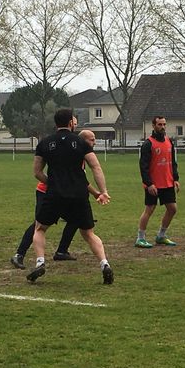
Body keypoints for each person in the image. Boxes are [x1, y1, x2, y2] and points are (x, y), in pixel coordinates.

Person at [26, 109, 113, 284]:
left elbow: (37, 172)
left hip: (55, 194)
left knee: (40, 229)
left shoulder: (45, 143)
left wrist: (52, 183)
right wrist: (103, 191)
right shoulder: (81, 142)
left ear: (56, 123)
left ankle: (40, 262)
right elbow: (95, 167)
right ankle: (104, 264)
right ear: (71, 123)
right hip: (79, 194)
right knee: (88, 233)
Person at [10, 129, 102, 269]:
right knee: (38, 224)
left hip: (60, 192)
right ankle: (19, 254)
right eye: (91, 139)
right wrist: (97, 193)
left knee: (75, 220)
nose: (94, 143)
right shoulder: (75, 151)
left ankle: (61, 251)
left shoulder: (78, 153)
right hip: (46, 190)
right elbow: (82, 182)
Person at [134, 116, 180, 248]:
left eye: (164, 124)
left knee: (172, 209)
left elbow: (173, 162)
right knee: (150, 209)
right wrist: (149, 184)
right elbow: (143, 166)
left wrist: (176, 179)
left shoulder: (168, 142)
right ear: (153, 126)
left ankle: (161, 236)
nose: (163, 127)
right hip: (153, 184)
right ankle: (140, 238)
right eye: (160, 124)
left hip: (167, 182)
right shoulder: (148, 144)